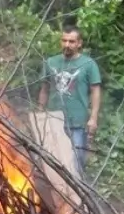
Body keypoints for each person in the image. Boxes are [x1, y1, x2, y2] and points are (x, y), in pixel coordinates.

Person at [38, 26, 103, 175]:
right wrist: (40, 112)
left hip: (77, 122)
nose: (67, 45)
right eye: (64, 41)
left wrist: (93, 118)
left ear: (79, 43)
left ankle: (77, 195)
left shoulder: (88, 64)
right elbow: (44, 89)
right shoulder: (51, 62)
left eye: (71, 41)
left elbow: (95, 91)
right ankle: (57, 194)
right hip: (53, 121)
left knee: (76, 160)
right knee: (52, 161)